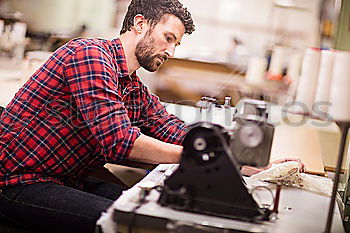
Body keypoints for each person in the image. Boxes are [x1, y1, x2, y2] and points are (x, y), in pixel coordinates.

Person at [0, 0, 304, 232]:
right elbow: (119, 142)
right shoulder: (89, 55)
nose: (171, 51)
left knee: (159, 209)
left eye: (176, 43)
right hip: (18, 182)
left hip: (68, 179)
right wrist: (198, 155)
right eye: (168, 37)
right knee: (133, 223)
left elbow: (172, 129)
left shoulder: (131, 86)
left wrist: (251, 164)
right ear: (140, 24)